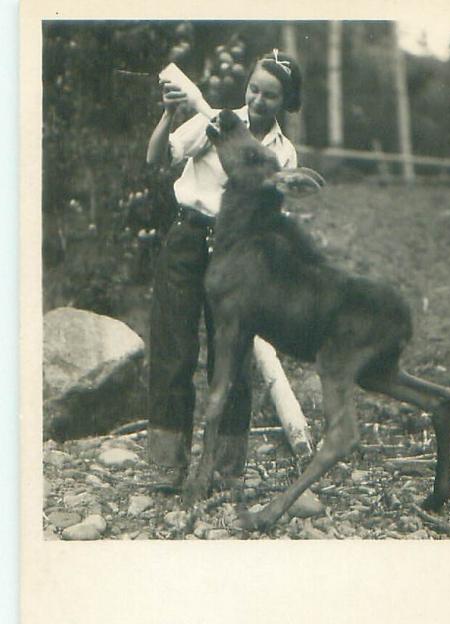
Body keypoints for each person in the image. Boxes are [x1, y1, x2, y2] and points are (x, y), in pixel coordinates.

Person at [146, 49, 302, 487]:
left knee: (231, 360)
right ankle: (166, 464)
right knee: (174, 349)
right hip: (187, 239)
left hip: (237, 253)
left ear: (285, 100)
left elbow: (272, 211)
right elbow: (156, 159)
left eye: (270, 95)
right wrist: (168, 118)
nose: (258, 100)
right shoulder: (211, 119)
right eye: (254, 89)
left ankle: (227, 468)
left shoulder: (282, 153)